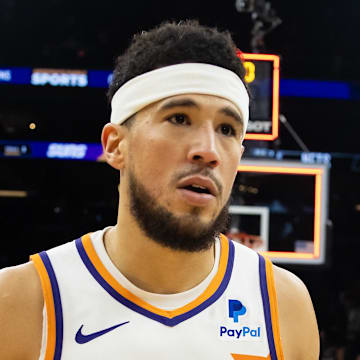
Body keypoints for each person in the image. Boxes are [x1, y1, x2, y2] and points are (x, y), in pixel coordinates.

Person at [0, 20, 319, 359]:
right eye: (179, 118)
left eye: (227, 128)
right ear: (115, 145)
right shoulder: (21, 302)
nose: (209, 150)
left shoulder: (283, 306)